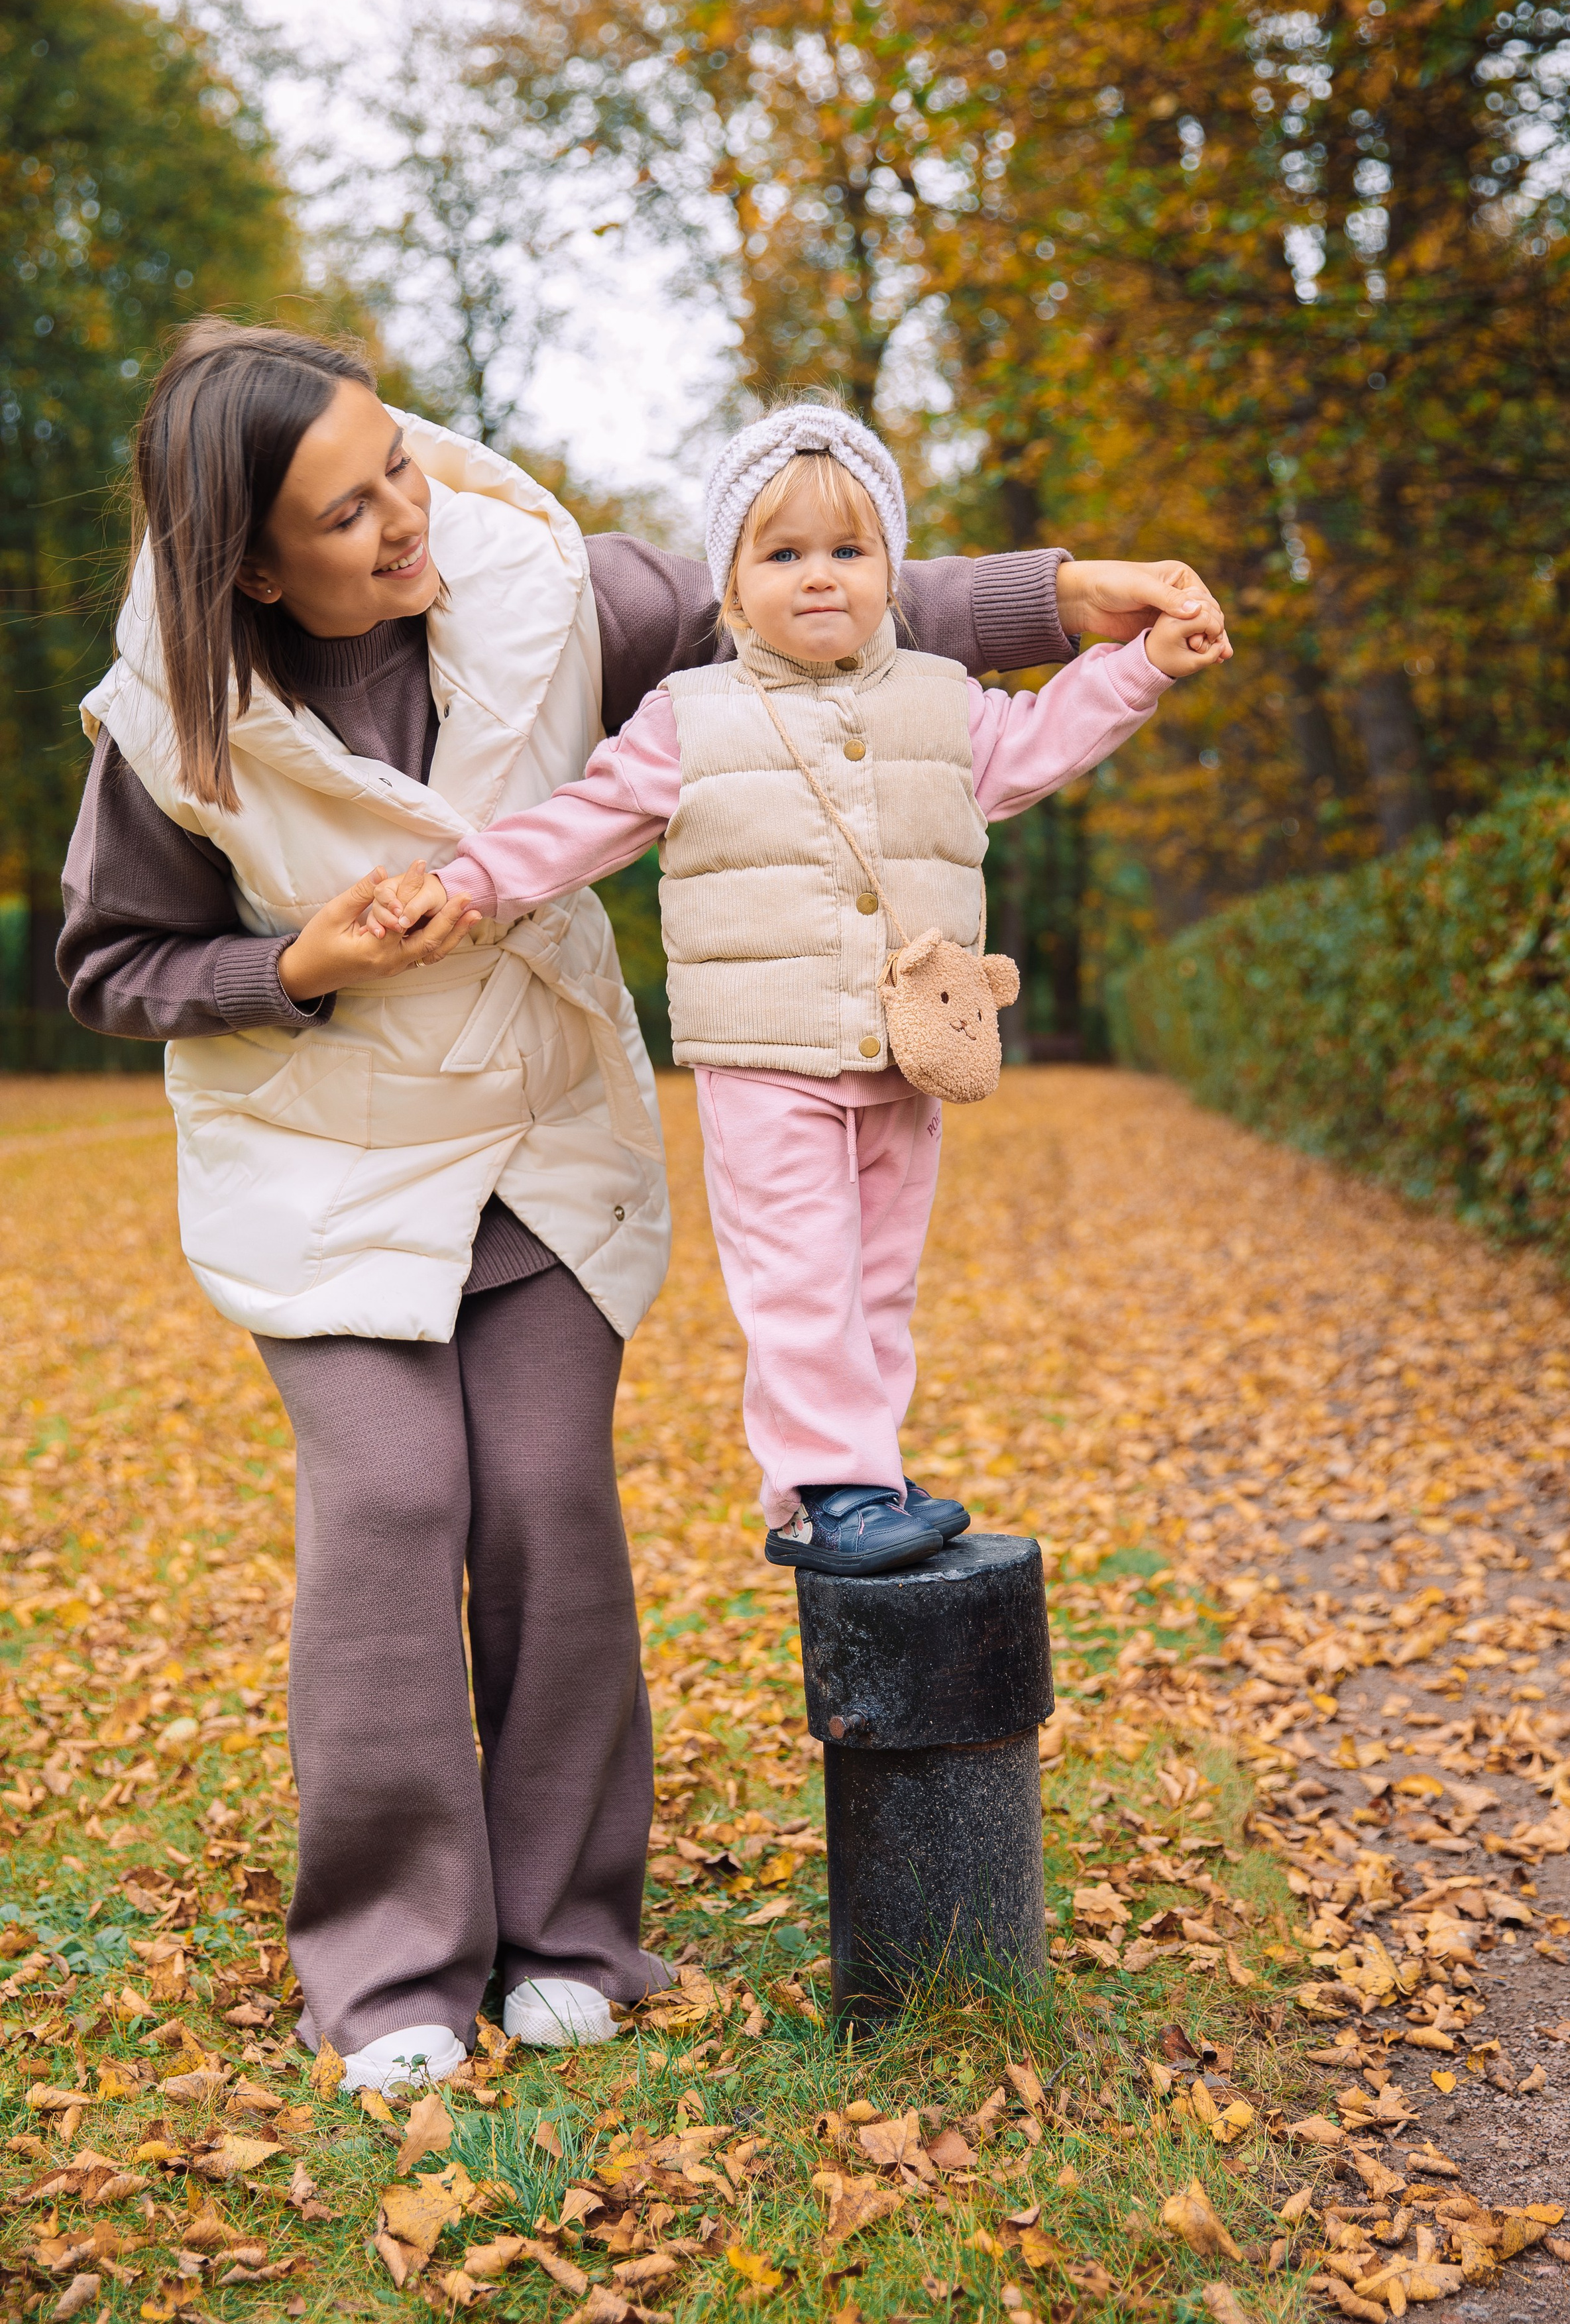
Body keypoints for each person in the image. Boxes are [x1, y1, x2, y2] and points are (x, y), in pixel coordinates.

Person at [58, 320, 1228, 2093]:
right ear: (246, 562)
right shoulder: (173, 723)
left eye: (399, 465)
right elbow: (113, 962)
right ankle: (388, 1973)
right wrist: (296, 954)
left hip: (536, 1134)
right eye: (348, 511)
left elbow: (823, 597)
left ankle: (572, 1934)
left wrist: (1074, 597)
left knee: (539, 1492)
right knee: (392, 1498)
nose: (405, 517)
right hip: (325, 1155)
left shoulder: (548, 588)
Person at [372, 402, 1232, 1580]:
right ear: (731, 587)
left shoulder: (945, 697)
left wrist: (1138, 667)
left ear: (891, 570)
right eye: (782, 555)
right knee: (799, 1272)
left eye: (849, 550)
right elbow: (580, 823)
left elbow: (1037, 742)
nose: (818, 578)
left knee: (881, 1273)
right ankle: (826, 1485)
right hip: (764, 1055)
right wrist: (467, 881)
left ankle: (864, 1468)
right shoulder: (691, 716)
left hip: (906, 1045)